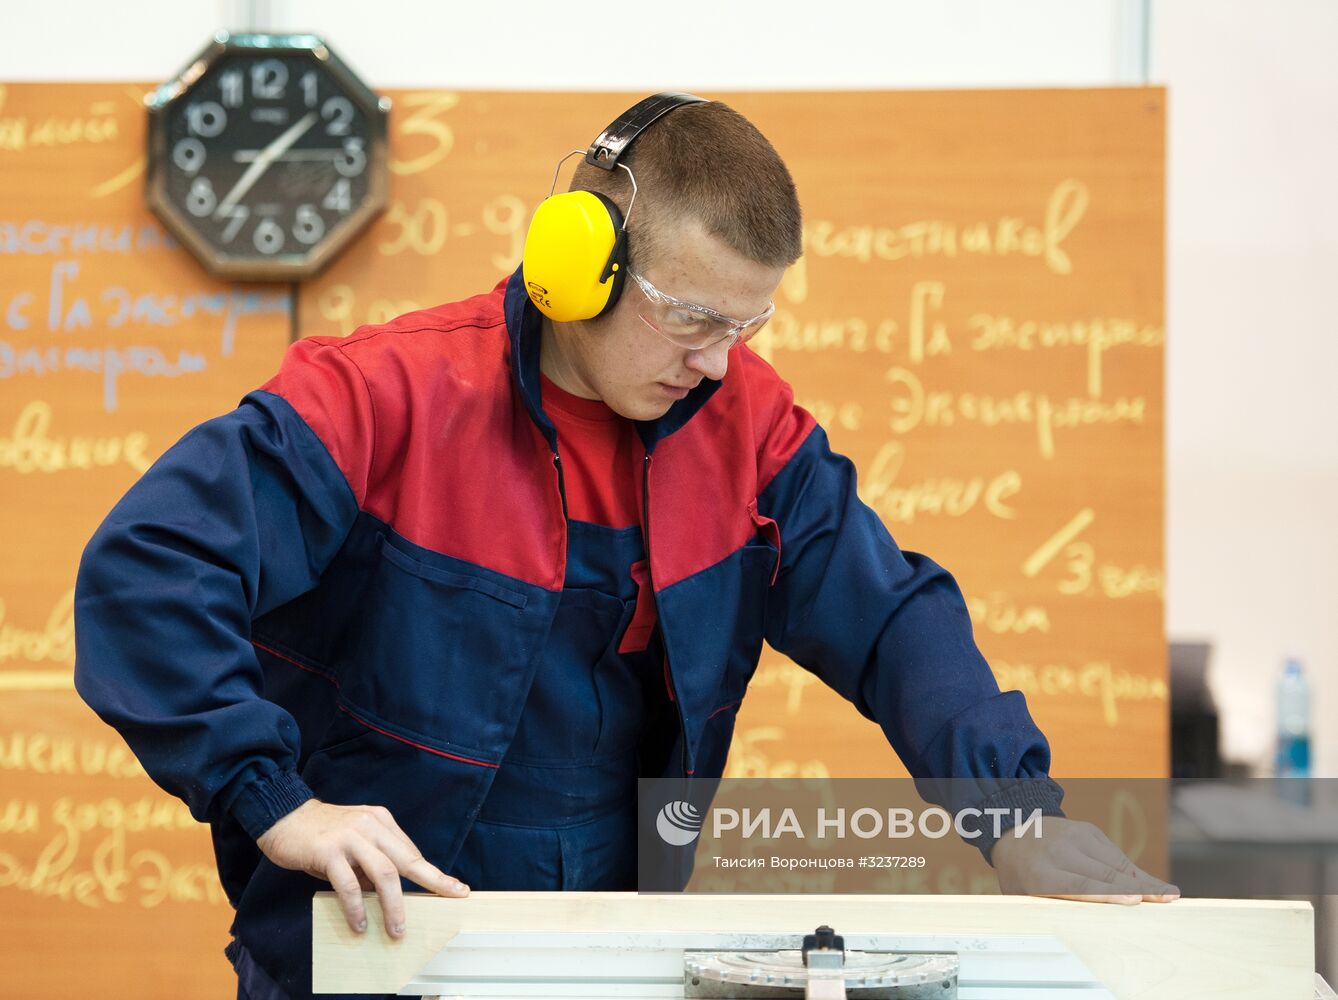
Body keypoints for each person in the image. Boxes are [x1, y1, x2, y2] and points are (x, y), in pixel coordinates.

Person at [73, 93, 1175, 1000]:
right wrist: (275, 801)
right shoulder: (382, 400)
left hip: (613, 959)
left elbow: (891, 617)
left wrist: (1013, 816)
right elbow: (149, 572)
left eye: (746, 326)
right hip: (369, 958)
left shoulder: (749, 431)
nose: (716, 361)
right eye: (691, 317)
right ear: (577, 265)